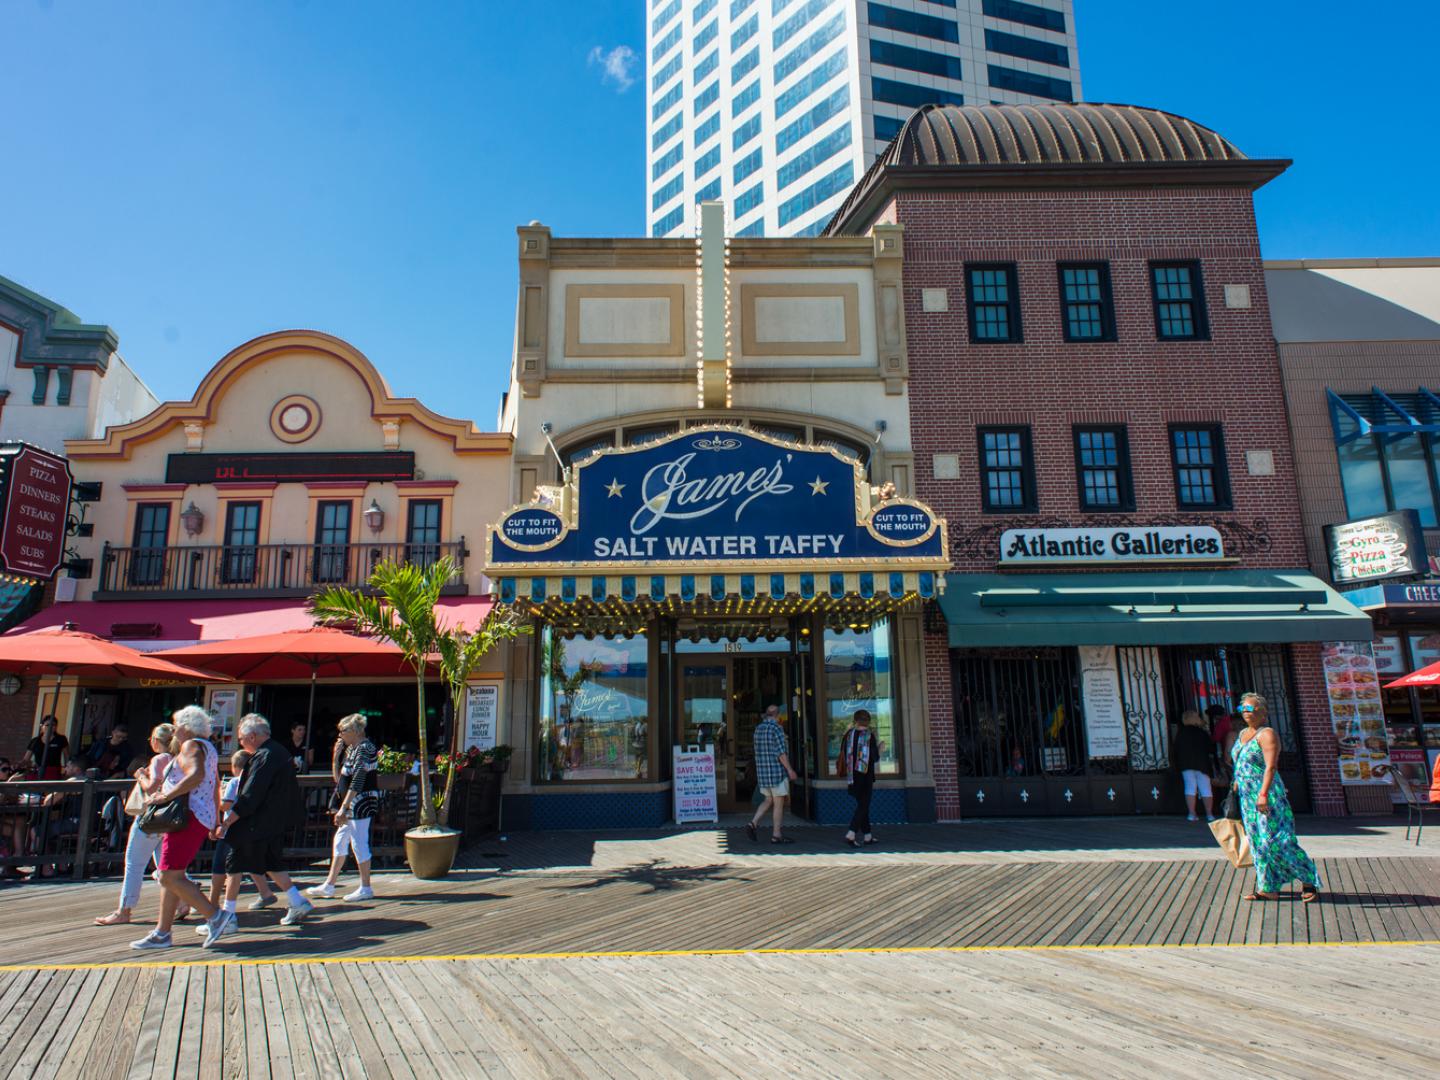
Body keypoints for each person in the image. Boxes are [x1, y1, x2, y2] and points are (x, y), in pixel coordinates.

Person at [131, 706, 231, 951]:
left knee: (167, 875)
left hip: (187, 815)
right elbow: (213, 783)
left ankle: (216, 916)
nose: (174, 730)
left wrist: (166, 796)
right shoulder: (208, 748)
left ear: (186, 727)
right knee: (174, 875)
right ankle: (162, 932)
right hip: (199, 815)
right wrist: (216, 818)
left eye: (177, 725)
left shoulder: (191, 746)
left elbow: (196, 775)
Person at [211, 713, 313, 939]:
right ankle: (297, 901)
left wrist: (227, 821)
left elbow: (251, 794)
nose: (240, 743)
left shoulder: (264, 756)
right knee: (271, 861)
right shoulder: (280, 752)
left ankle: (228, 917)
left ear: (252, 736)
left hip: (256, 821)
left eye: (241, 739)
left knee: (234, 862)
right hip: (274, 820)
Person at [1231, 692, 1320, 903]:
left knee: (1277, 841)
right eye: (1242, 708)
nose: (1245, 712)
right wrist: (1236, 780)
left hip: (1267, 795)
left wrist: (1263, 794)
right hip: (1247, 798)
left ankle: (1309, 880)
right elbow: (1241, 762)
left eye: (1249, 708)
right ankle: (1267, 887)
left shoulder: (1267, 734)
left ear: (1262, 712)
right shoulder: (1243, 733)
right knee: (1257, 843)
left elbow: (1271, 766)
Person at [96, 724, 175, 925]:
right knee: (164, 866)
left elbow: (152, 787)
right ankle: (182, 902)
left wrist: (140, 776)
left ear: (156, 741)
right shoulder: (178, 759)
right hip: (169, 817)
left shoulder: (160, 759)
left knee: (134, 863)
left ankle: (125, 909)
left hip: (151, 816)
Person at [307, 714, 377, 901]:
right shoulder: (352, 749)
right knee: (340, 841)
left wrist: (344, 807)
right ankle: (329, 885)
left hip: (360, 803)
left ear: (355, 731)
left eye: (343, 731)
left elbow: (358, 780)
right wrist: (335, 757)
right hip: (350, 803)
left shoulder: (365, 748)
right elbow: (341, 780)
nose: (340, 735)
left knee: (359, 842)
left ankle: (366, 887)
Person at [204, 750, 275, 914]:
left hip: (231, 828)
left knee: (220, 865)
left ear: (235, 766)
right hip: (249, 828)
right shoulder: (255, 782)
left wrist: (220, 795)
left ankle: (213, 902)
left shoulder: (234, 782)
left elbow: (226, 806)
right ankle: (265, 892)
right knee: (249, 860)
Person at [745, 705, 798, 845]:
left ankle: (753, 823)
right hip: (776, 773)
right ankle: (776, 835)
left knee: (768, 800)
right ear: (777, 715)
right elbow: (781, 753)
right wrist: (790, 770)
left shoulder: (758, 729)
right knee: (778, 803)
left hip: (763, 774)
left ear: (766, 714)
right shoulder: (777, 729)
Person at [838, 709, 880, 848]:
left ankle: (867, 836)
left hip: (852, 776)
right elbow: (874, 757)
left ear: (855, 720)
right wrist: (880, 748)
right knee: (863, 805)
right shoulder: (869, 736)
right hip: (865, 776)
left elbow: (843, 753)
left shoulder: (848, 735)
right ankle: (851, 833)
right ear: (868, 721)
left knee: (862, 805)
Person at [1175, 709, 1216, 822]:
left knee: (1190, 787)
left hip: (1186, 764)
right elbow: (1210, 748)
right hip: (1202, 764)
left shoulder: (1181, 733)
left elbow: (1176, 749)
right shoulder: (1202, 732)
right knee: (1206, 788)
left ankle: (1192, 814)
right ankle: (1209, 814)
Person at [22, 716, 69, 780]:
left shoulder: (61, 739)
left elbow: (67, 757)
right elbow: (26, 759)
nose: (50, 727)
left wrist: (66, 772)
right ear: (42, 726)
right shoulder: (35, 741)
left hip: (53, 772)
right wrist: (18, 765)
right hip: (38, 771)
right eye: (47, 725)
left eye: (53, 725)